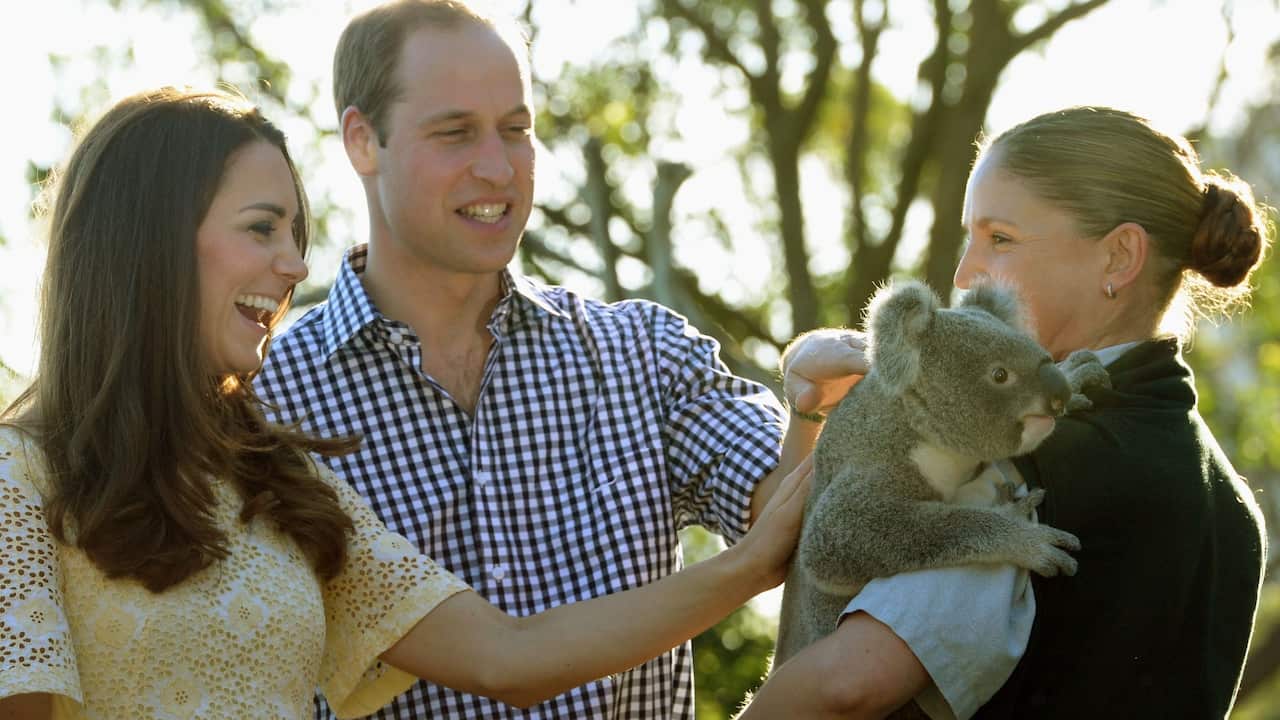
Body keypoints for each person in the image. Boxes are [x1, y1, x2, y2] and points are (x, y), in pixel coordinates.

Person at [0, 87, 817, 720]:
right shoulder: (19, 480)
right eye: (261, 229)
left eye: (297, 235)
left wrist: (748, 565)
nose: (291, 266)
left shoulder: (272, 475)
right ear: (148, 240)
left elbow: (509, 657)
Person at [251, 2, 868, 718]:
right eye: (455, 134)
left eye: (517, 131)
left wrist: (818, 412)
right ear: (363, 140)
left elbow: (798, 520)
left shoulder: (643, 354)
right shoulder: (264, 407)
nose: (496, 167)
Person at [742, 105, 1269, 719]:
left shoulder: (1024, 448)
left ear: (1119, 257)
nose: (966, 273)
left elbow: (843, 689)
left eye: (1000, 238)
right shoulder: (1236, 509)